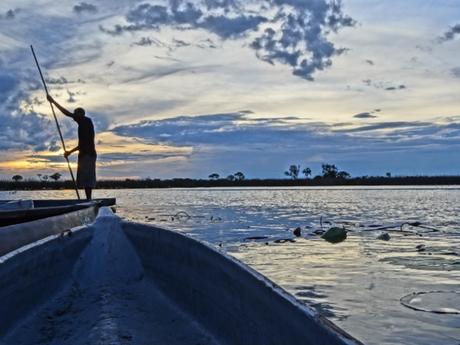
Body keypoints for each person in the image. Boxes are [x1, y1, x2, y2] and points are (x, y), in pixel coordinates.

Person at [47, 95, 97, 200]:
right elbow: (81, 144)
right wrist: (70, 152)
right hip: (84, 154)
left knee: (88, 178)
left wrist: (53, 101)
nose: (74, 117)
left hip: (88, 154)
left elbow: (67, 113)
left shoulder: (85, 121)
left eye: (75, 114)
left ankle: (89, 200)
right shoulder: (83, 123)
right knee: (84, 178)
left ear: (81, 114)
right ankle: (88, 199)